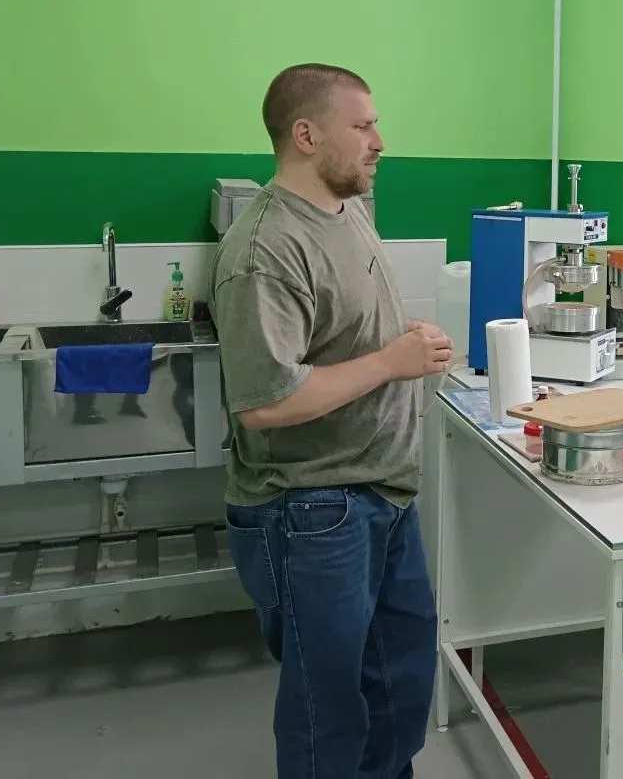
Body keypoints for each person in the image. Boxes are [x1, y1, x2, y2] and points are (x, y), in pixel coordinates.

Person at [209, 63, 454, 779]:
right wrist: (390, 363)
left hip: (384, 493)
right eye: (363, 125)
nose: (380, 141)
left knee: (398, 685)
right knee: (329, 706)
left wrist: (400, 341)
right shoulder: (264, 251)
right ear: (307, 135)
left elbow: (342, 334)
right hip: (313, 510)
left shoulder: (350, 212)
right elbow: (265, 403)